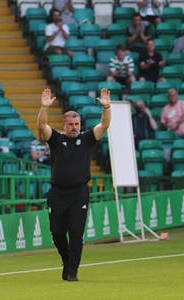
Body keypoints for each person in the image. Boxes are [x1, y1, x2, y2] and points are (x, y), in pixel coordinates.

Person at [37, 87, 110, 282]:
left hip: (79, 192)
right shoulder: (56, 139)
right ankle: (67, 259)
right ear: (64, 124)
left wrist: (107, 108)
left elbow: (104, 125)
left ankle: (72, 271)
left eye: (77, 124)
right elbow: (42, 126)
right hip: (58, 193)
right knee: (57, 232)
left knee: (76, 233)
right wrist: (44, 107)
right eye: (70, 124)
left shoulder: (87, 138)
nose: (74, 127)